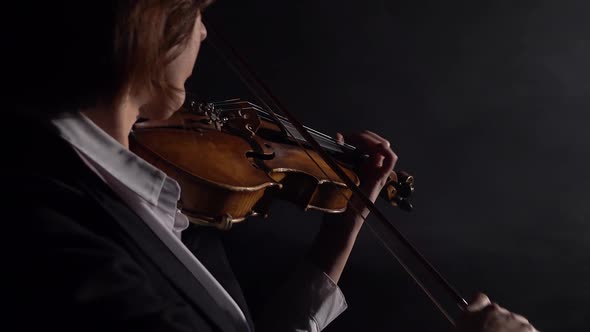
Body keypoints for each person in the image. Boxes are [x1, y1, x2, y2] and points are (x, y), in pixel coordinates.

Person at [2, 1, 538, 332]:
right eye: (198, 13)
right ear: (149, 19)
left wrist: (344, 224)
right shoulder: (46, 224)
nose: (206, 34)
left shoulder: (150, 200)